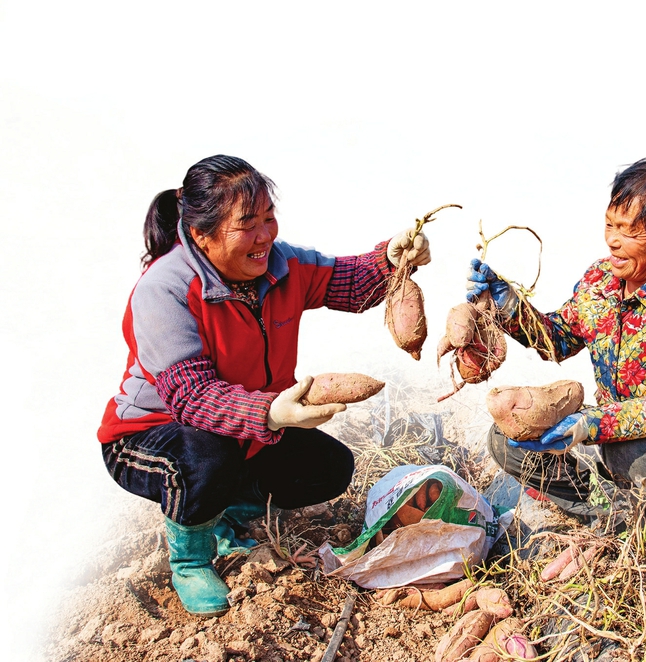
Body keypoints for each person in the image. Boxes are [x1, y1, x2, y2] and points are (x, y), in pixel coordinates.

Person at [98, 154, 431, 616]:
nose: (264, 236)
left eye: (269, 218)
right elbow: (191, 398)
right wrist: (270, 413)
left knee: (328, 467)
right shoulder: (164, 290)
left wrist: (389, 261)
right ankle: (191, 559)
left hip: (244, 428)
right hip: (150, 436)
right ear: (201, 234)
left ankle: (221, 514)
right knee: (208, 454)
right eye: (247, 224)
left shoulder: (280, 264)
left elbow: (349, 284)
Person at [467, 157, 646, 588]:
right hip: (620, 438)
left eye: (630, 231)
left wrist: (592, 425)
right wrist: (508, 305)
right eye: (610, 225)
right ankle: (615, 514)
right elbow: (558, 339)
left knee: (627, 449)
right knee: (507, 441)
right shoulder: (601, 279)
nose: (614, 241)